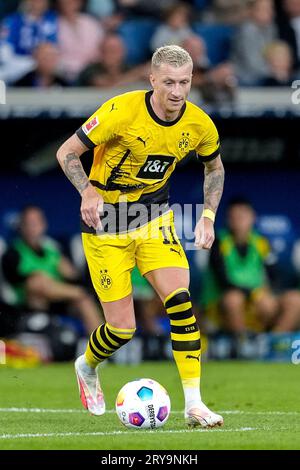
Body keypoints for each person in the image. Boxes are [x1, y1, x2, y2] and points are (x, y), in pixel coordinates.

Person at [56, 45, 225, 428]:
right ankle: (86, 365)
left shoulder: (199, 124)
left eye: (184, 82)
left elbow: (214, 168)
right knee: (122, 329)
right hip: (106, 225)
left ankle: (195, 404)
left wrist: (209, 215)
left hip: (153, 219)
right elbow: (67, 153)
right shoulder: (120, 111)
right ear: (152, 80)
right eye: (168, 82)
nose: (177, 92)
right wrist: (87, 190)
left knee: (180, 302)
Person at [1, 205, 102, 334]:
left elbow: (73, 277)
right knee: (38, 281)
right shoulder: (13, 252)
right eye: (29, 223)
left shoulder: (52, 251)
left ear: (44, 225)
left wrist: (72, 280)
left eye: (37, 222)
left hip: (59, 300)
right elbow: (22, 282)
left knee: (84, 301)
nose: (34, 227)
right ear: (22, 226)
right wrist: (76, 291)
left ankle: (102, 348)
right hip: (30, 304)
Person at [202, 198, 279, 334]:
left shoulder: (261, 242)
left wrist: (263, 294)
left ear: (252, 217)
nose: (239, 221)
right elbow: (223, 281)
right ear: (228, 220)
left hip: (254, 301)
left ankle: (271, 340)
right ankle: (243, 343)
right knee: (233, 299)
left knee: (278, 302)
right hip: (222, 304)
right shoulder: (219, 242)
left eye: (242, 216)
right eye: (234, 217)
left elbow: (273, 276)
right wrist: (252, 294)